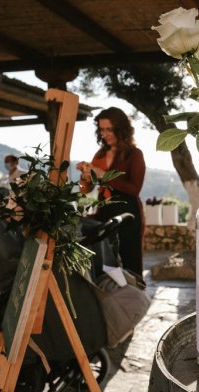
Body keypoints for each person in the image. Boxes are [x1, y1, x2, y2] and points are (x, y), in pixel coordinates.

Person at [77, 107, 146, 278]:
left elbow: (134, 189)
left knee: (130, 264)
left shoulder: (134, 155)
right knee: (105, 263)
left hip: (128, 214)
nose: (104, 134)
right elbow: (85, 190)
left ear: (121, 130)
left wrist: (103, 175)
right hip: (104, 212)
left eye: (109, 129)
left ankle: (136, 300)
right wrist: (85, 177)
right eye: (101, 130)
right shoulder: (99, 155)